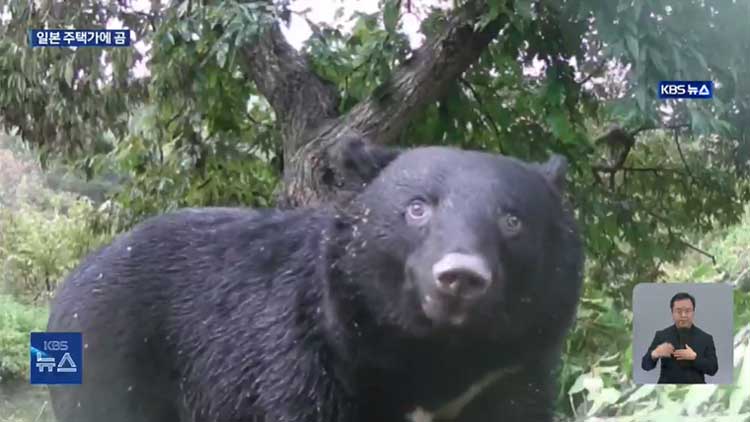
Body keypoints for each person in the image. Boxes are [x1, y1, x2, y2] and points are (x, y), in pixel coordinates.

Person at [641, 292, 719, 384]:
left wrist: (694, 358)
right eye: (678, 311)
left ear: (693, 312)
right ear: (672, 313)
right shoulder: (661, 335)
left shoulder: (706, 338)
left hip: (695, 391)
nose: (683, 315)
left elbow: (713, 369)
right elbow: (645, 366)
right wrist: (655, 353)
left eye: (687, 311)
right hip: (667, 389)